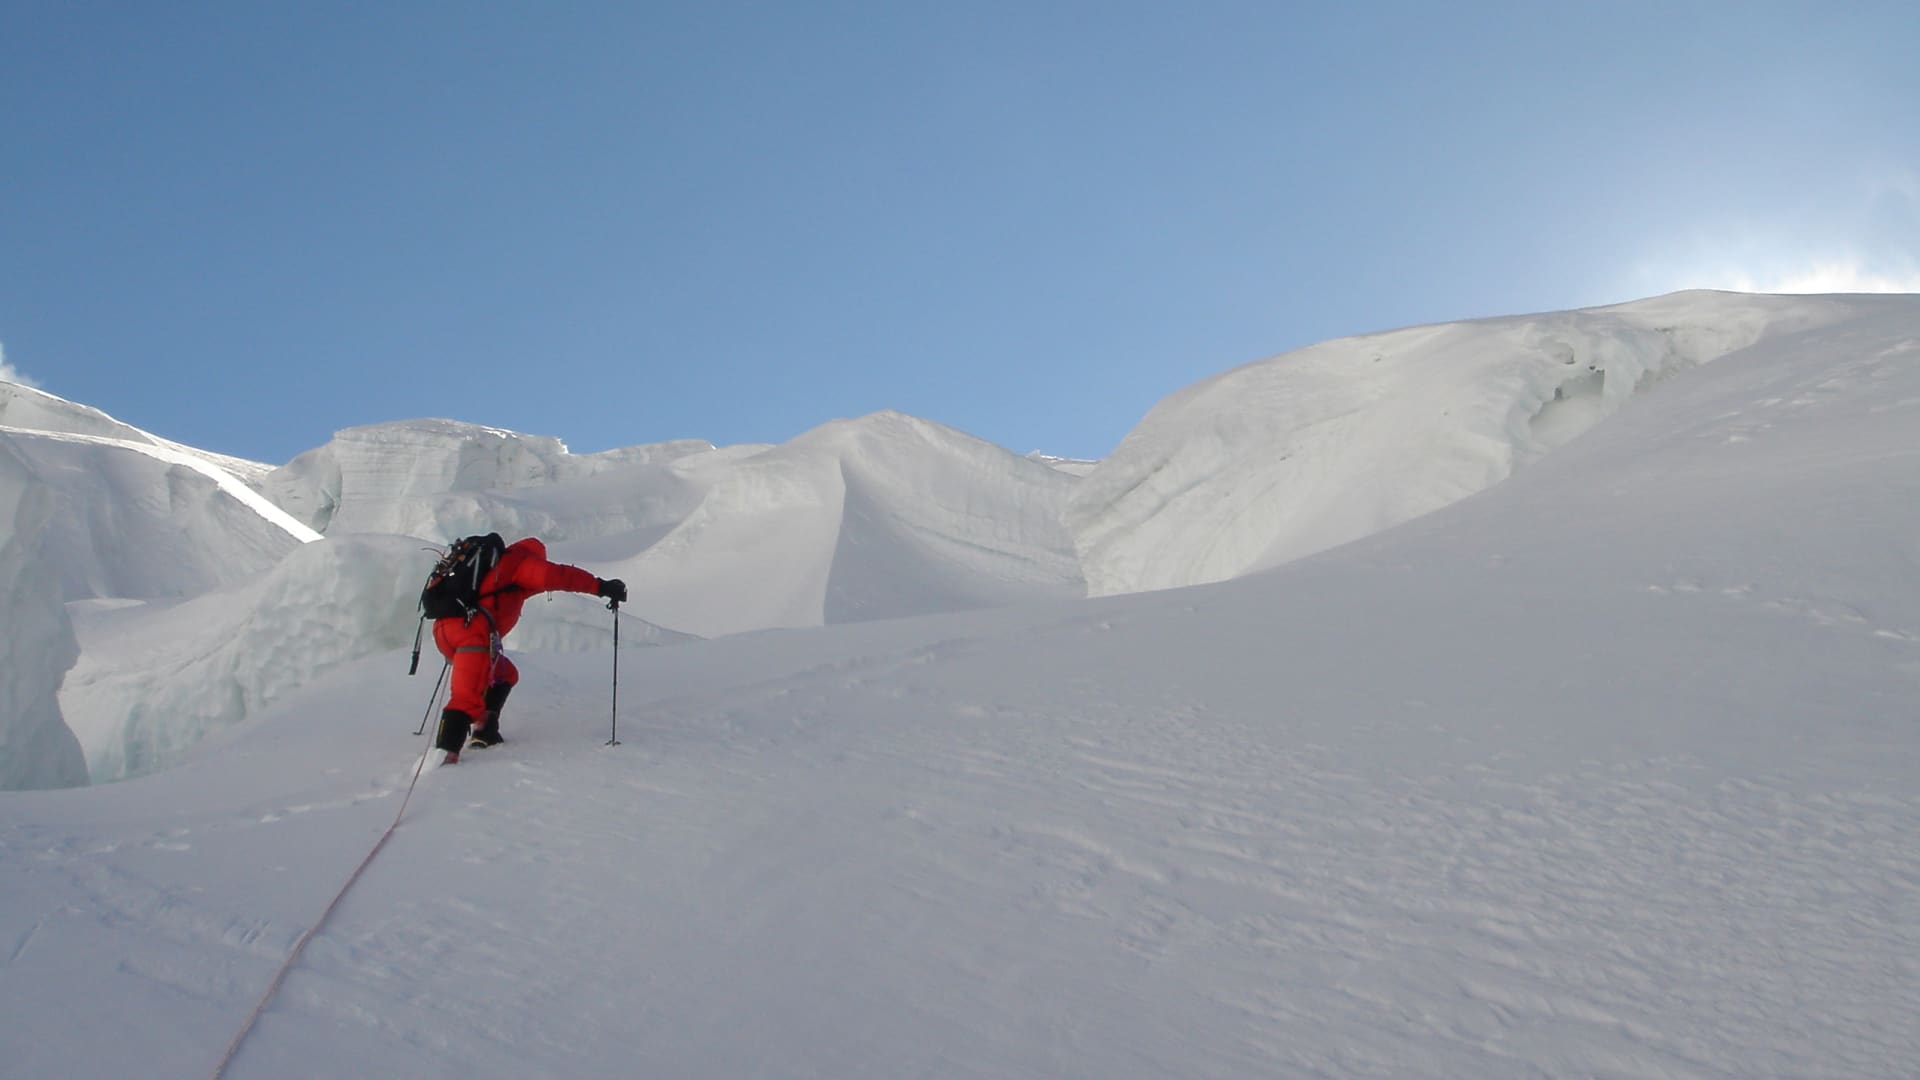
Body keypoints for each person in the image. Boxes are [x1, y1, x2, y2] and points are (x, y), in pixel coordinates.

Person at [431, 536, 626, 763]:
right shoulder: (519, 563)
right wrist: (601, 586)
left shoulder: (498, 575)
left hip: (446, 630)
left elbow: (532, 586)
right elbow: (558, 576)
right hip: (471, 634)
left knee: (505, 674)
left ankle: (485, 729)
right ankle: (445, 756)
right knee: (465, 696)